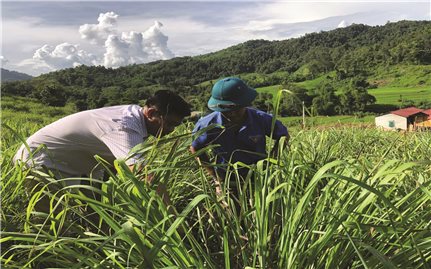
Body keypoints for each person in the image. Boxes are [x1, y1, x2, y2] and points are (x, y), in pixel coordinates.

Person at [14, 90, 191, 209]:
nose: (171, 131)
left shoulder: (135, 117)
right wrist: (173, 216)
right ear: (152, 114)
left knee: (97, 213)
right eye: (169, 124)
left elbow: (116, 166)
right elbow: (142, 175)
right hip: (39, 162)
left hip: (78, 167)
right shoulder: (124, 127)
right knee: (54, 226)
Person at [190, 77, 289, 198]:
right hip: (226, 179)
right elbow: (195, 148)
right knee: (230, 213)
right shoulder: (208, 124)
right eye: (226, 110)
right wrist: (215, 177)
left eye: (236, 109)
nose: (232, 114)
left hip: (259, 176)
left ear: (246, 103)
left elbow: (283, 136)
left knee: (263, 211)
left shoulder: (261, 119)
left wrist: (270, 161)